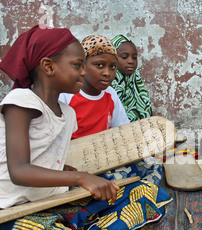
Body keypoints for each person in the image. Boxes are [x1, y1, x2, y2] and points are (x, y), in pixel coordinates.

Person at [0, 26, 170, 230]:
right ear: (48, 66)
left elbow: (46, 158)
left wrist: (69, 172)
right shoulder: (21, 101)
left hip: (49, 201)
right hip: (10, 209)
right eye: (78, 65)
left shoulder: (66, 113)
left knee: (141, 191)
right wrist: (80, 178)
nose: (83, 72)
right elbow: (19, 171)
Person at [59, 35, 162, 186]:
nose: (107, 73)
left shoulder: (110, 94)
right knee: (114, 180)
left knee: (153, 166)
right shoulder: (68, 95)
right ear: (83, 66)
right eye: (99, 65)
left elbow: (123, 130)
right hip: (75, 164)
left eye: (112, 67)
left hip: (105, 158)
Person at [111, 34, 152, 122]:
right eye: (124, 57)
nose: (131, 61)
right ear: (112, 58)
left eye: (134, 57)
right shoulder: (108, 88)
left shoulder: (137, 86)